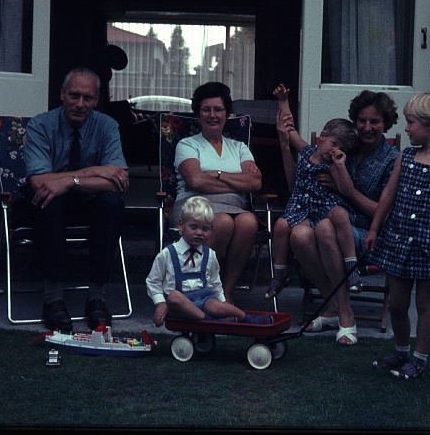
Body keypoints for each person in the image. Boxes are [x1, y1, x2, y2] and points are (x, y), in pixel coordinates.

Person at [277, 88, 400, 345]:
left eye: (375, 121)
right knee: (299, 235)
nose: (367, 127)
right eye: (362, 120)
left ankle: (346, 315)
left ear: (386, 123)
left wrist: (346, 191)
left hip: (368, 234)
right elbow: (299, 178)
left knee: (324, 228)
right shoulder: (345, 145)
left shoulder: (392, 159)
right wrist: (285, 137)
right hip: (324, 220)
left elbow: (384, 214)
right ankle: (333, 307)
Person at [22, 67, 131, 333]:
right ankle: (53, 300)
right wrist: (96, 171)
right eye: (74, 96)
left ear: (96, 100)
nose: (80, 104)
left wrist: (70, 181)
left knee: (111, 203)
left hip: (89, 202)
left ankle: (97, 298)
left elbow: (118, 182)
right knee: (49, 199)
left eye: (88, 98)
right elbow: (40, 182)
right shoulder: (40, 125)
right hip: (48, 206)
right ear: (62, 94)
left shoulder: (107, 126)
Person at [364, 93, 430, 379]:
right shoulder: (405, 157)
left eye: (411, 123)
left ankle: (419, 359)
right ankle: (401, 351)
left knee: (424, 304)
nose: (406, 128)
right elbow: (388, 194)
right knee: (397, 304)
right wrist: (374, 228)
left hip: (429, 246)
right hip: (398, 241)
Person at [170, 82, 263, 304]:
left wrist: (217, 175)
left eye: (218, 109)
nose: (212, 115)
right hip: (195, 206)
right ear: (198, 113)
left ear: (226, 113)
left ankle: (225, 291)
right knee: (222, 222)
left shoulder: (239, 148)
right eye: (206, 109)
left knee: (249, 222)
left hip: (234, 207)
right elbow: (195, 180)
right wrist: (238, 183)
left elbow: (255, 182)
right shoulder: (187, 145)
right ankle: (200, 286)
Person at [265, 84, 359, 300]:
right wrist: (283, 101)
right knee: (280, 225)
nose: (335, 150)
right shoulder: (307, 151)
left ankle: (352, 269)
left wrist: (341, 166)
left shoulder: (333, 165)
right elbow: (289, 130)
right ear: (322, 137)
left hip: (324, 207)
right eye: (334, 143)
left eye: (342, 149)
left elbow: (346, 191)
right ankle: (280, 274)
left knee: (340, 213)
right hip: (302, 208)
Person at [147, 196, 273, 326]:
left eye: (205, 229)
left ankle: (247, 318)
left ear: (211, 230)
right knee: (174, 296)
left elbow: (215, 282)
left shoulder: (209, 254)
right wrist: (160, 303)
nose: (199, 233)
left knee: (215, 304)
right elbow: (153, 281)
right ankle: (211, 320)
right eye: (193, 227)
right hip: (180, 305)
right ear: (181, 225)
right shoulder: (168, 253)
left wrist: (222, 303)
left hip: (204, 298)